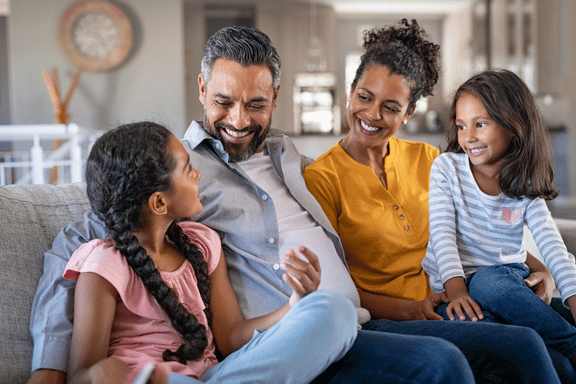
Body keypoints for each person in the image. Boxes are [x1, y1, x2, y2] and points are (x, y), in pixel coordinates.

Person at [27, 25, 551, 384]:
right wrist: (49, 371)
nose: (238, 119)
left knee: (523, 346)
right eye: (223, 101)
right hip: (289, 334)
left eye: (256, 104)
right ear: (202, 87)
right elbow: (83, 238)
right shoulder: (173, 170)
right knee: (442, 365)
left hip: (363, 317)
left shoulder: (287, 153)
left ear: (275, 97)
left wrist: (525, 260)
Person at [304, 19, 571, 382]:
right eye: (365, 97)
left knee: (558, 356)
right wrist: (412, 309)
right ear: (351, 92)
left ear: (409, 112)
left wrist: (539, 267)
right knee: (526, 347)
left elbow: (478, 227)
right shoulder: (321, 179)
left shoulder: (428, 159)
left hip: (459, 296)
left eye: (391, 106)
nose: (372, 114)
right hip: (397, 317)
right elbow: (335, 289)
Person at [64, 121, 357, 383]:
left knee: (334, 310)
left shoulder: (202, 244)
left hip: (216, 377)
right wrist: (101, 374)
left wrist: (295, 305)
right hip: (150, 379)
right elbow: (80, 374)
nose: (198, 174)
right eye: (187, 169)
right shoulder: (105, 264)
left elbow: (230, 338)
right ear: (159, 203)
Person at [421, 69, 576, 366]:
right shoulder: (447, 169)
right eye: (461, 126)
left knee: (489, 282)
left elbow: (552, 245)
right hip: (456, 287)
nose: (469, 138)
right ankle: (567, 346)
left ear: (513, 125)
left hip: (503, 280)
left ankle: (570, 341)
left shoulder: (524, 183)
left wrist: (572, 295)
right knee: (488, 309)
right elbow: (442, 235)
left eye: (480, 124)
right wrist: (455, 292)